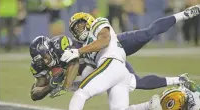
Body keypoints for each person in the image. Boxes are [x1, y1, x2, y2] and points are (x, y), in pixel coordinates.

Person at [29, 4, 200, 101]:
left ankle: (184, 14)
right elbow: (35, 93)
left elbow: (102, 43)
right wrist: (50, 86)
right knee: (135, 82)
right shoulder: (43, 64)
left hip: (116, 45)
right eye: (42, 59)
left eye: (46, 56)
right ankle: (180, 79)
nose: (46, 60)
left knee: (148, 33)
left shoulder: (66, 43)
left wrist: (66, 80)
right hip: (105, 61)